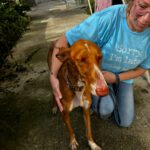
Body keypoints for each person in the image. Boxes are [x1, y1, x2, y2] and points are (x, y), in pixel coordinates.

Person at [48, 0, 150, 128]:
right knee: (105, 110)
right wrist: (53, 76)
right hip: (98, 73)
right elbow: (64, 39)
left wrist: (116, 78)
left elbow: (143, 68)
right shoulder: (107, 18)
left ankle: (112, 90)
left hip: (124, 76)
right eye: (143, 6)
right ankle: (104, 98)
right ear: (131, 2)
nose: (146, 19)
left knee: (125, 122)